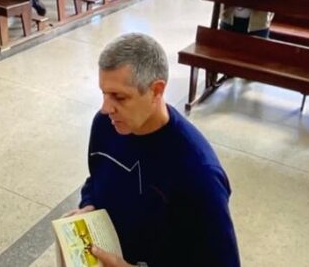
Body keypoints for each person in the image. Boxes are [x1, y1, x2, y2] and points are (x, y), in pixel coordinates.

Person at [67, 33, 240, 266]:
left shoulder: (198, 173)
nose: (106, 108)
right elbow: (97, 179)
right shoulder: (105, 125)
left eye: (119, 97)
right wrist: (89, 205)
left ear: (156, 91)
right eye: (104, 94)